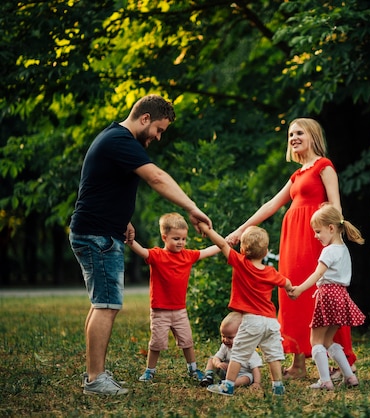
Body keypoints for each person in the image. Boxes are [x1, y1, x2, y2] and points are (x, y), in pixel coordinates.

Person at [69, 94, 212, 396]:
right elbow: (157, 178)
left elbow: (101, 185)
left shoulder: (113, 138)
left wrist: (123, 219)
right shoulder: (122, 140)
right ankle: (95, 379)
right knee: (106, 305)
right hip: (98, 236)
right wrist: (191, 207)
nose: (159, 137)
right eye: (159, 130)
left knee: (101, 304)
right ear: (145, 118)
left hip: (99, 231)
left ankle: (95, 374)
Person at [225, 118, 357, 380]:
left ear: (312, 136)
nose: (293, 137)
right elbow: (271, 205)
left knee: (322, 296)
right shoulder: (297, 174)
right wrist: (241, 229)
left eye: (299, 133)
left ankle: (345, 362)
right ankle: (298, 364)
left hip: (314, 239)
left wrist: (333, 244)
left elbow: (336, 208)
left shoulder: (324, 166)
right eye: (290, 134)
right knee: (291, 296)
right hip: (292, 240)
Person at [198, 223, 293, 396]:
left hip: (253, 320)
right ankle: (278, 386)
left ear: (242, 249)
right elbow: (286, 283)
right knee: (273, 355)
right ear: (265, 252)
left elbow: (222, 244)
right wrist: (291, 290)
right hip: (271, 321)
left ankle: (227, 386)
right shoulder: (271, 272)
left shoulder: (240, 263)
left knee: (239, 354)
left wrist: (208, 230)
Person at [127, 212, 220, 383]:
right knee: (156, 343)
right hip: (160, 311)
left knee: (187, 341)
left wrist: (225, 243)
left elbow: (207, 251)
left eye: (184, 239)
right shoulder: (157, 256)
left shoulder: (188, 255)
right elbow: (141, 251)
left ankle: (193, 369)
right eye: (176, 239)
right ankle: (150, 371)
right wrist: (131, 242)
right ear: (164, 237)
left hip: (179, 310)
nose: (181, 243)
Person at [288, 204, 365, 390]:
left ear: (331, 228)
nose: (316, 236)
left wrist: (299, 289)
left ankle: (325, 380)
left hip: (328, 296)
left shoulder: (329, 251)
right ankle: (349, 376)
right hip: (341, 297)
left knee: (315, 341)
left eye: (318, 231)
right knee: (329, 341)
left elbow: (317, 275)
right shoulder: (344, 249)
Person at [199, 312, 263, 390]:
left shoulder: (249, 351)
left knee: (247, 378)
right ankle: (208, 376)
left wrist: (257, 382)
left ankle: (229, 383)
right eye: (223, 336)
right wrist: (218, 363)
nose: (225, 340)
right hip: (226, 371)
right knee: (211, 359)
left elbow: (255, 369)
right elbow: (217, 357)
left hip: (241, 374)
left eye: (230, 337)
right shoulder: (225, 347)